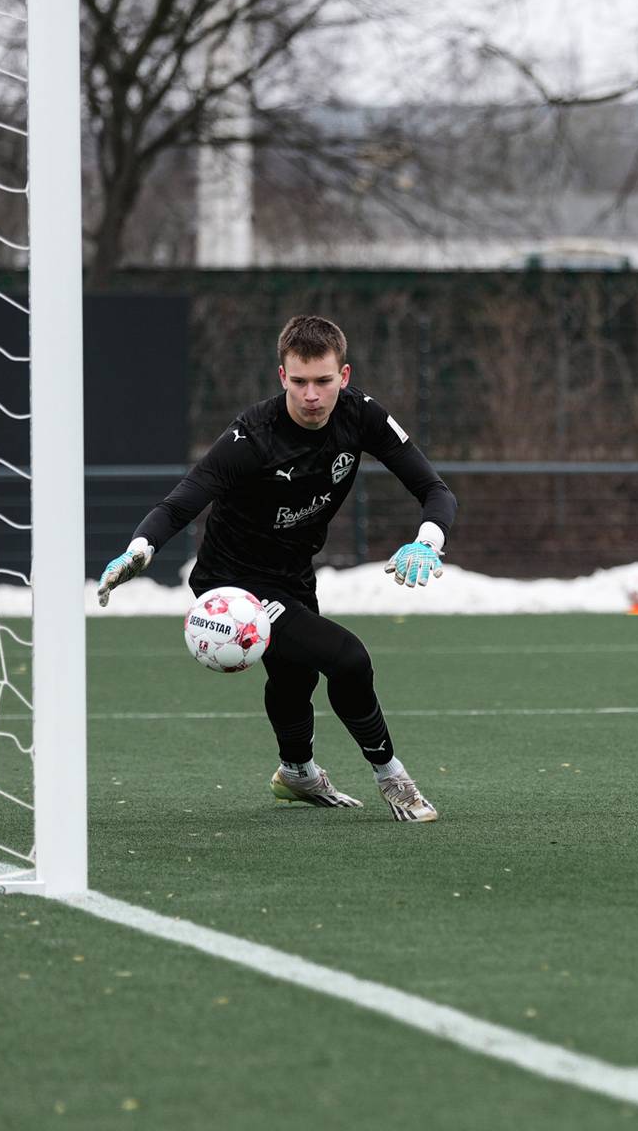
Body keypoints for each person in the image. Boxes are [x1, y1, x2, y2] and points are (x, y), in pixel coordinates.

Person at [96, 315, 457, 821]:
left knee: (295, 678)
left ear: (345, 376)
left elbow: (434, 490)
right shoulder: (252, 437)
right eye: (301, 381)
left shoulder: (363, 416)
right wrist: (139, 549)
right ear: (282, 377)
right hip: (233, 582)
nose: (312, 395)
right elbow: (180, 504)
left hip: (291, 571)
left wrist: (427, 542)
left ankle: (296, 774)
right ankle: (391, 776)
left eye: (324, 381)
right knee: (348, 658)